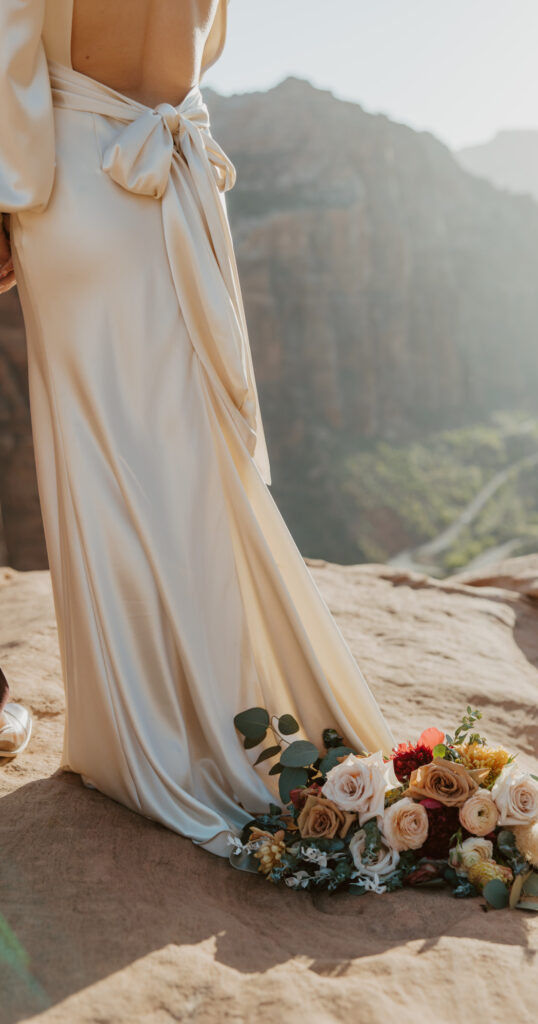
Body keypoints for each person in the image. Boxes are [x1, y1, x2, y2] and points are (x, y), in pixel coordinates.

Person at [0, 0, 394, 857]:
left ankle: (141, 735)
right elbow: (199, 47)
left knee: (100, 456)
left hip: (73, 187)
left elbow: (13, 50)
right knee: (186, 455)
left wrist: (6, 192)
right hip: (167, 177)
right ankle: (225, 707)